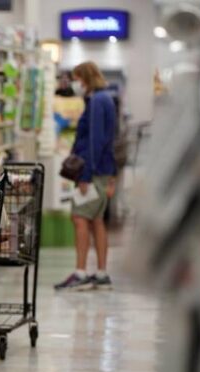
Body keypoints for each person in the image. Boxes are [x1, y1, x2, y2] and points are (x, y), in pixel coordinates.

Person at [54, 61, 117, 291]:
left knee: (79, 218)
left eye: (78, 79)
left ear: (86, 78)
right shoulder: (104, 99)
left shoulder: (97, 101)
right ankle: (101, 273)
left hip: (92, 171)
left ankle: (80, 273)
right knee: (97, 220)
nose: (75, 84)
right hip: (103, 169)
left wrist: (85, 176)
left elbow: (95, 141)